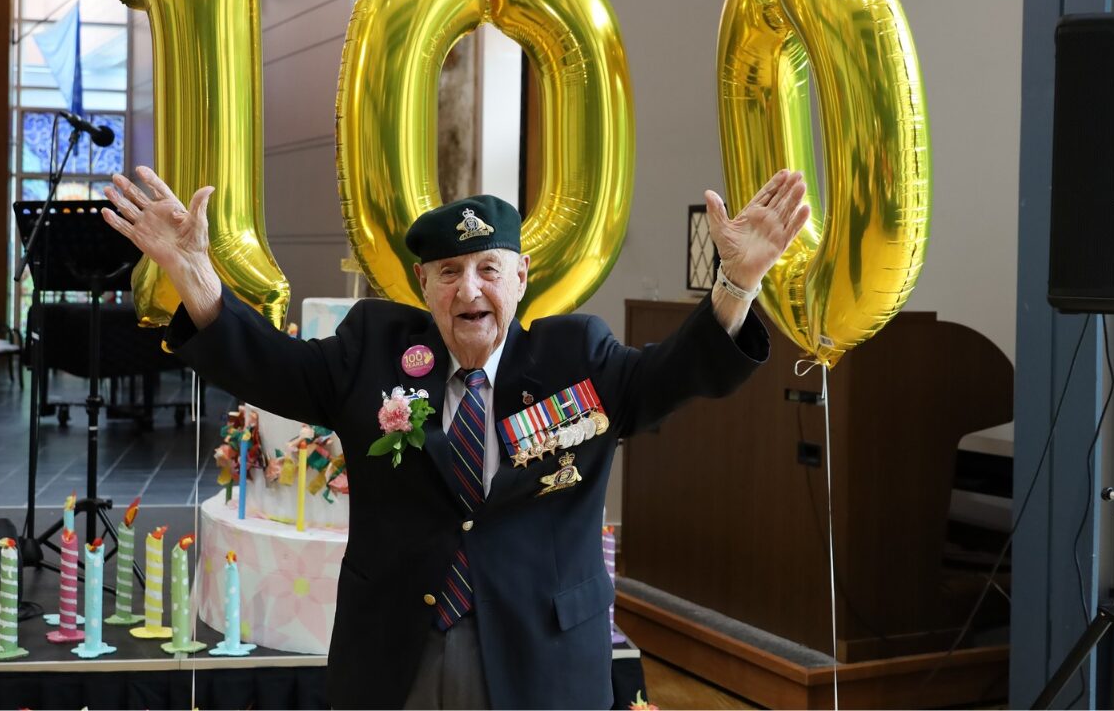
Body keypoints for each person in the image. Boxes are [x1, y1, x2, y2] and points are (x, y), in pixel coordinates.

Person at [103, 167, 809, 709]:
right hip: (400, 653)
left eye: (488, 269)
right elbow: (273, 366)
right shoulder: (373, 352)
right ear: (424, 284)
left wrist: (737, 282)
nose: (470, 289)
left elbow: (674, 374)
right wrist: (192, 273)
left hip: (543, 657)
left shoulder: (578, 358)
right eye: (449, 272)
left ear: (521, 278)